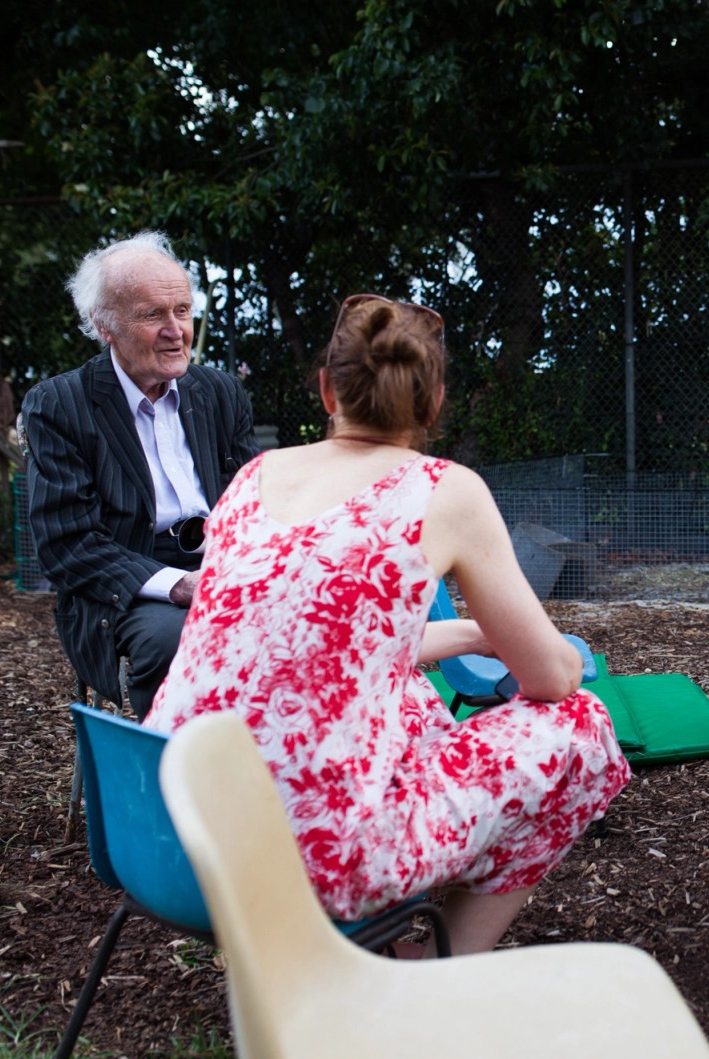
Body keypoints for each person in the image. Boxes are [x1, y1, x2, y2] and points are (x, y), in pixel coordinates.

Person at [145, 293, 630, 955]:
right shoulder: (444, 487)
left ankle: (398, 941)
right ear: (433, 403)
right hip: (308, 862)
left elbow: (317, 653)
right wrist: (558, 656)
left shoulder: (253, 476)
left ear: (326, 390)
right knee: (582, 728)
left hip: (174, 830)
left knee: (410, 697)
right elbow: (550, 676)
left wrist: (465, 634)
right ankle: (430, 974)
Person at [22, 232, 259, 715]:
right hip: (125, 584)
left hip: (219, 565)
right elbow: (67, 545)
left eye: (183, 311)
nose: (176, 330)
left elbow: (252, 500)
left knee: (318, 612)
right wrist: (177, 584)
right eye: (153, 315)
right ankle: (177, 782)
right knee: (176, 637)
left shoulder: (219, 392)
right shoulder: (59, 406)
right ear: (104, 325)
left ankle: (286, 767)